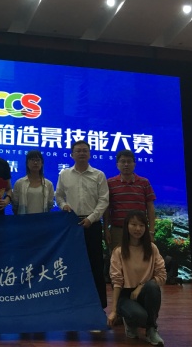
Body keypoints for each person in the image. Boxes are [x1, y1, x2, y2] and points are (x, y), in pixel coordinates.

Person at [55, 140, 109, 308]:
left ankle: (99, 305)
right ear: (72, 154)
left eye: (85, 150)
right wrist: (64, 205)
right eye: (78, 151)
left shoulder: (98, 175)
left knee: (95, 265)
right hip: (71, 225)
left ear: (90, 154)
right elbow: (59, 196)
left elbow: (104, 200)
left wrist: (91, 218)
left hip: (92, 224)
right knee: (72, 264)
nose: (81, 153)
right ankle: (72, 303)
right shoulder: (64, 174)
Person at [107, 210, 166, 346]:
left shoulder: (152, 248)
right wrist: (114, 311)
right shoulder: (119, 251)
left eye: (141, 225)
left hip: (144, 292)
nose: (138, 229)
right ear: (127, 226)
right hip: (126, 296)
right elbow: (117, 282)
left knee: (152, 287)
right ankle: (130, 322)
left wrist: (141, 286)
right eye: (133, 224)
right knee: (140, 316)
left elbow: (162, 276)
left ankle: (151, 330)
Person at [104, 149, 157, 254]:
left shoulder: (144, 182)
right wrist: (106, 229)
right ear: (117, 165)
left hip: (139, 230)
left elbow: (150, 207)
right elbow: (106, 208)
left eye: (129, 161)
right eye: (123, 161)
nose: (126, 164)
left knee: (140, 258)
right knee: (118, 259)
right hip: (118, 230)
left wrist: (151, 231)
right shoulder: (110, 183)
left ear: (134, 164)